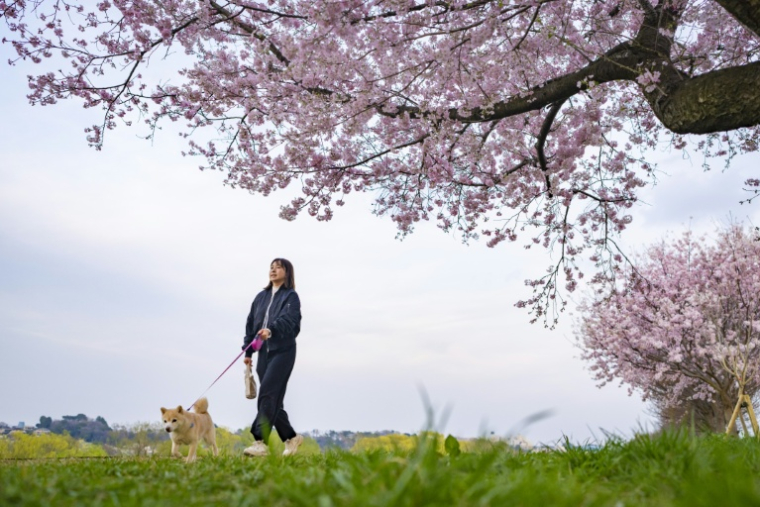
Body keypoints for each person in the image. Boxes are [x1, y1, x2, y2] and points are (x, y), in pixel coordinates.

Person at [241, 258, 303, 457]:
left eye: (278, 267)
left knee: (267, 392)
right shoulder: (261, 297)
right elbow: (251, 324)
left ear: (287, 272)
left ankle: (260, 441)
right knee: (272, 398)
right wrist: (249, 352)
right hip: (263, 353)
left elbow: (291, 321)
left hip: (283, 352)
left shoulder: (291, 296)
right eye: (271, 267)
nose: (273, 270)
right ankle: (291, 437)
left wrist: (272, 330)